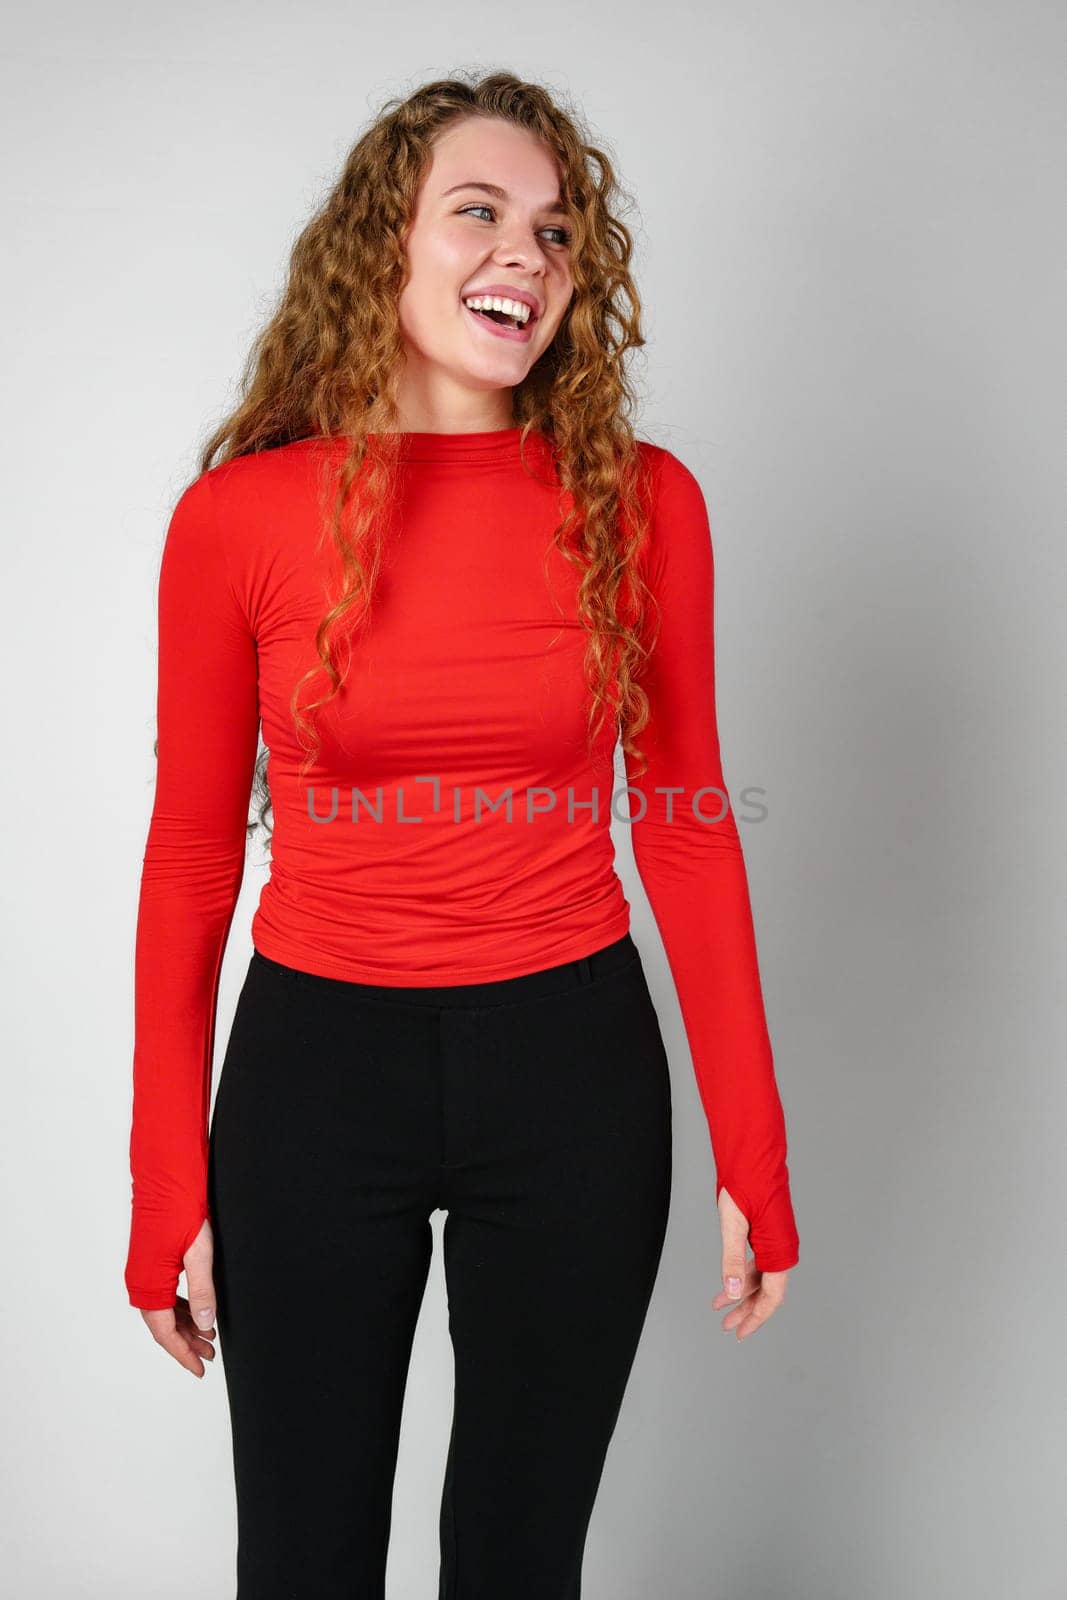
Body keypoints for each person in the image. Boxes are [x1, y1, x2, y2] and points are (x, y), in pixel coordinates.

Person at [124, 69, 799, 1599]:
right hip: (316, 1072)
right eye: (479, 213)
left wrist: (754, 1151)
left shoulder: (642, 506)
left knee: (517, 1563)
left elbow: (686, 827)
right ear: (385, 246)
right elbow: (188, 853)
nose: (527, 258)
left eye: (559, 233)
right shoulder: (240, 520)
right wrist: (169, 1170)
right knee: (303, 1563)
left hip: (570, 1071)